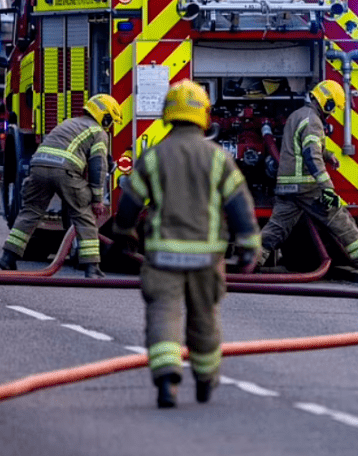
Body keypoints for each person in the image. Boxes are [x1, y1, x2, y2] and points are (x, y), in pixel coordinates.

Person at [111, 80, 260, 409]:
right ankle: (205, 379)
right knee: (204, 319)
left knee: (163, 314)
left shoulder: (154, 157)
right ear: (203, 115)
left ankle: (167, 381)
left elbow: (130, 202)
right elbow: (239, 205)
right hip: (206, 259)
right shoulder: (218, 158)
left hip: (162, 256)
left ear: (168, 113)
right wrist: (249, 246)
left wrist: (123, 235)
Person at [257, 79, 358, 276]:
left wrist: (327, 155)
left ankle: (250, 260)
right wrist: (327, 187)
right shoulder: (313, 121)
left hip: (287, 186)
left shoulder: (297, 115)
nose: (331, 112)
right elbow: (311, 155)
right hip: (305, 186)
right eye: (332, 108)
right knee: (337, 215)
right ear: (327, 103)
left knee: (276, 228)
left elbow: (301, 146)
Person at [0, 93, 122, 279]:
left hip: (38, 167)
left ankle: (8, 257)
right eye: (111, 120)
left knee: (30, 212)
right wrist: (97, 199)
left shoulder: (68, 123)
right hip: (65, 172)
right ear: (105, 116)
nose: (110, 125)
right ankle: (91, 267)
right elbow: (98, 166)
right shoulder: (98, 132)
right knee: (83, 214)